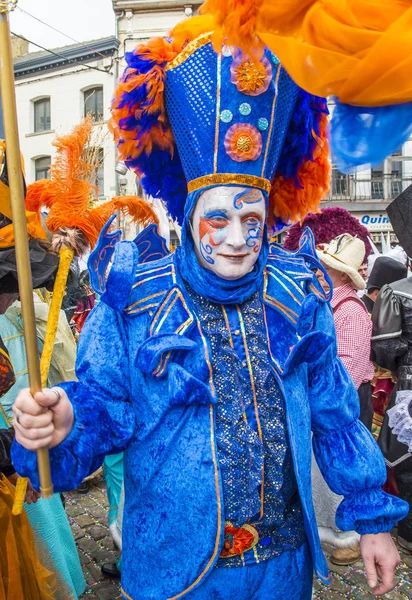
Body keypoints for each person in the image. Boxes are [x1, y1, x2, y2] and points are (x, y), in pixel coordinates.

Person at [12, 28, 408, 600]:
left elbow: (336, 417)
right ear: (192, 211)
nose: (238, 238)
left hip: (283, 569)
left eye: (252, 218)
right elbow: (105, 403)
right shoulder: (137, 298)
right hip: (176, 572)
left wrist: (372, 520)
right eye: (217, 218)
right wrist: (67, 417)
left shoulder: (300, 296)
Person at [372, 274, 412, 554]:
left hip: (410, 385)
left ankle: (408, 531)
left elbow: (385, 350)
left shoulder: (396, 293)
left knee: (407, 461)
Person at [317, 234, 375, 431]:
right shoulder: (329, 304)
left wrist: (326, 404)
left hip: (343, 403)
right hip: (331, 400)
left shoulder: (349, 310)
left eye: (326, 268)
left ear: (344, 275)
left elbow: (348, 371)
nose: (317, 273)